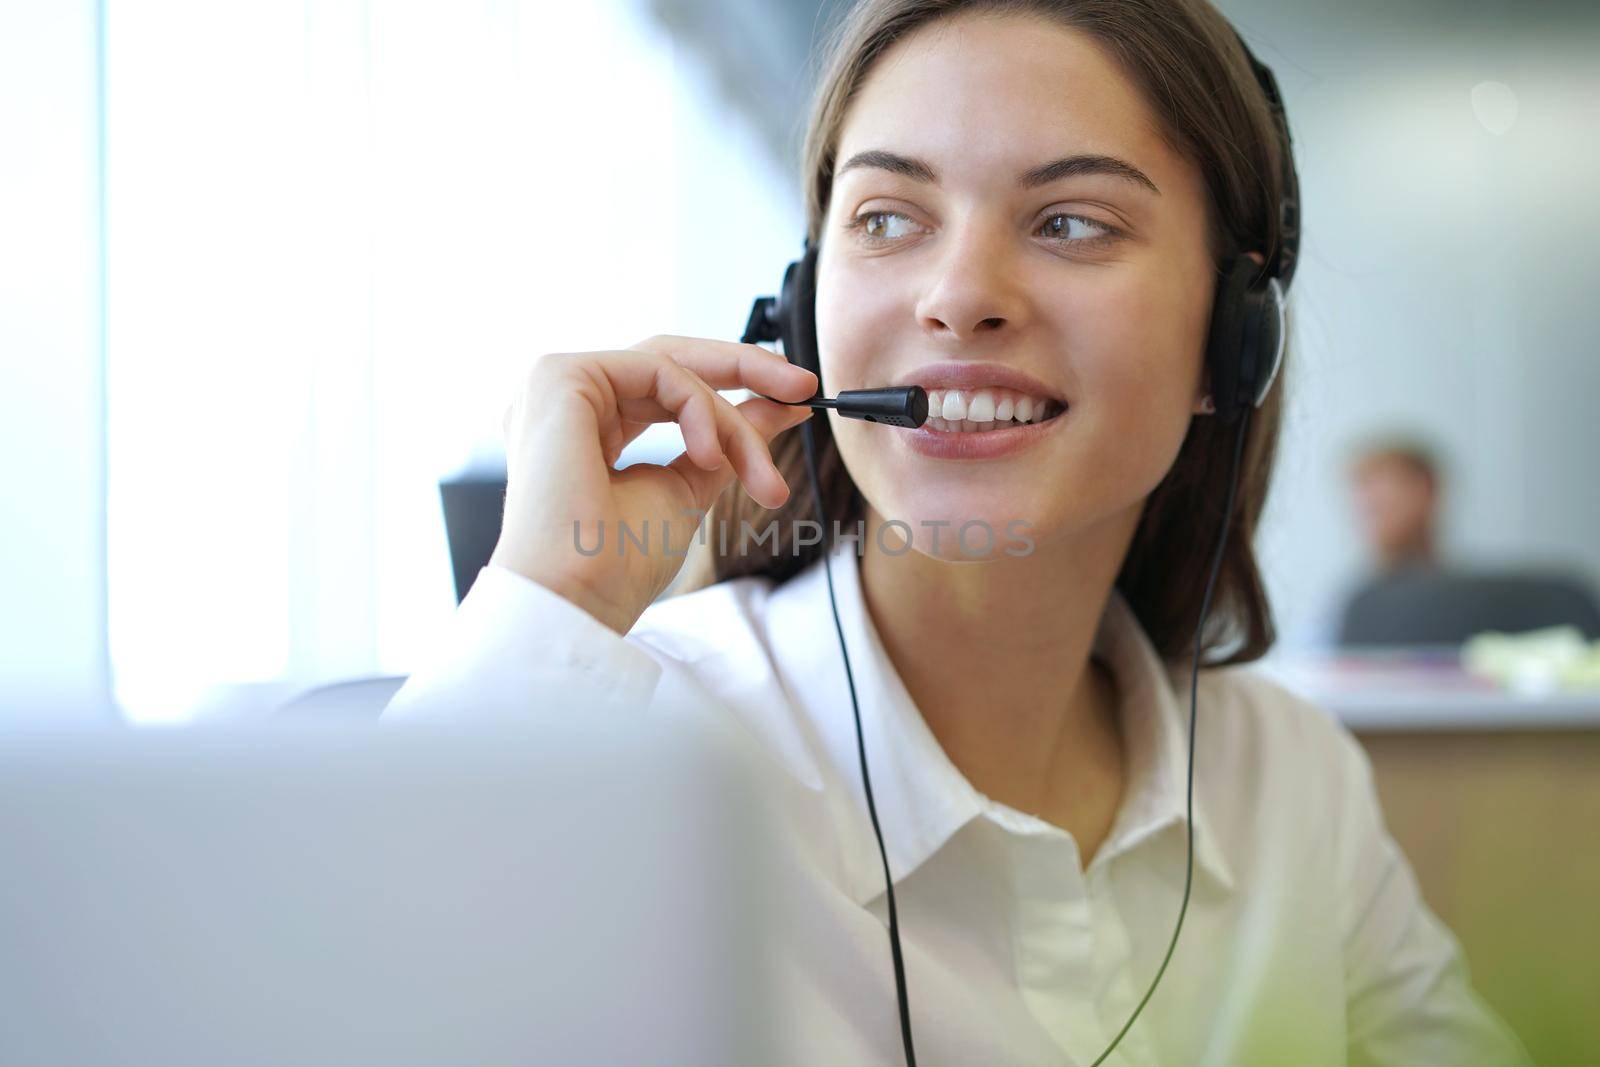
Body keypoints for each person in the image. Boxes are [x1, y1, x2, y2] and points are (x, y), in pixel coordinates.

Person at [385, 1, 1531, 1063]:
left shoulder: (1286, 780)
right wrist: (553, 599)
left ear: (1231, 342)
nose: (956, 293)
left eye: (1071, 221)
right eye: (888, 217)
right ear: (803, 305)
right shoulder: (644, 745)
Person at [1347, 435, 1444, 575]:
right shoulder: (1365, 593)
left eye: (1380, 506)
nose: (1368, 499)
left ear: (1425, 489)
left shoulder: (1474, 591)